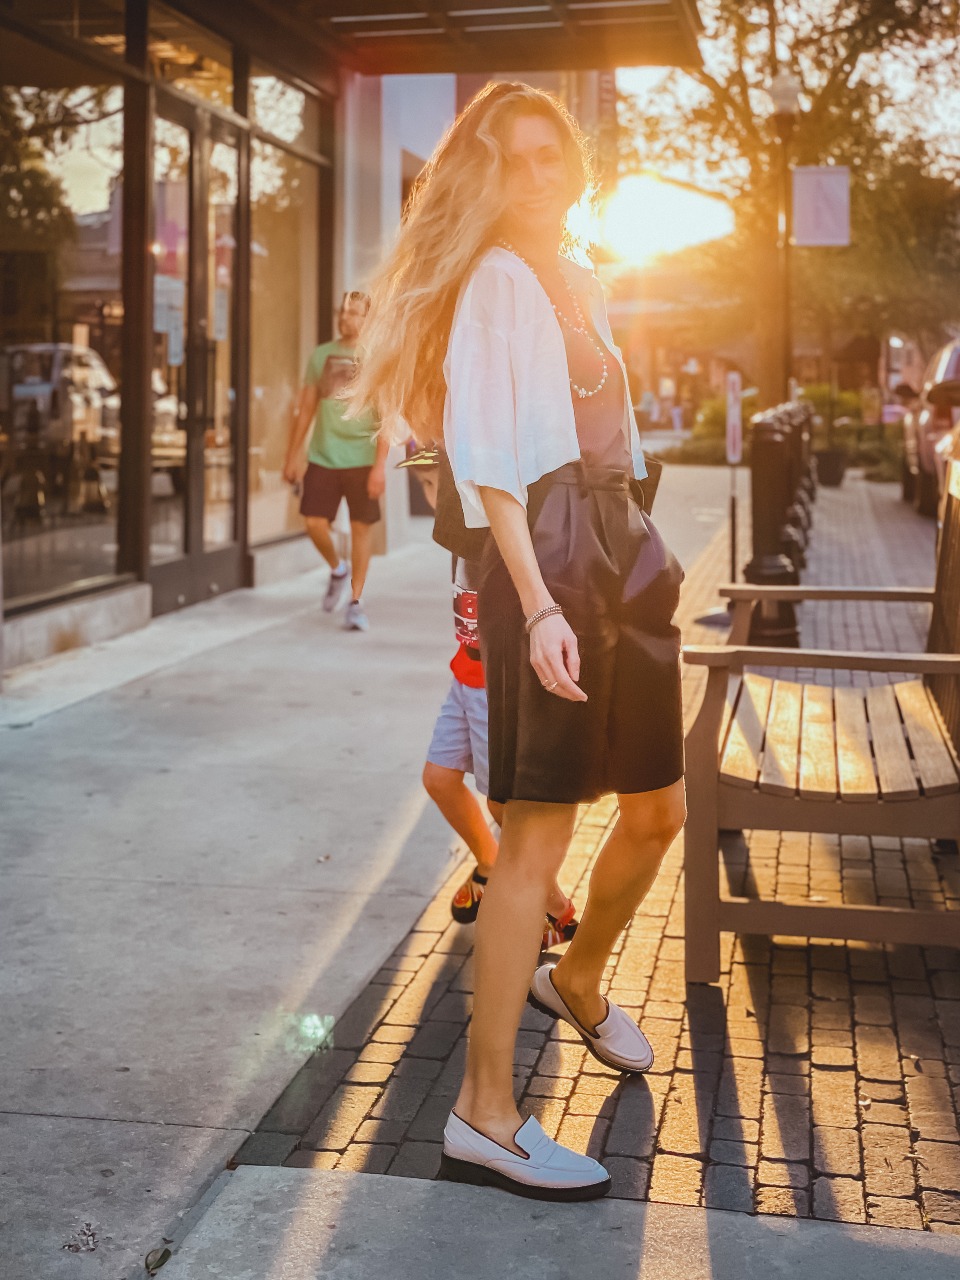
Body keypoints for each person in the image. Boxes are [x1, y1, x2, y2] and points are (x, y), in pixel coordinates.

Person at [350, 83, 686, 1202]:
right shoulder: (496, 279)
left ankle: (578, 975)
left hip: (616, 541)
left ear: (576, 165)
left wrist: (634, 548)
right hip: (542, 551)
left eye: (553, 156)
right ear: (487, 177)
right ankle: (483, 1115)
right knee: (534, 839)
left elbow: (610, 433)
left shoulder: (580, 275)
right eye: (514, 161)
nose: (536, 177)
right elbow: (490, 459)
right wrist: (539, 602)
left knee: (658, 807)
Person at [400, 449, 578, 948]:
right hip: (466, 676)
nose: (437, 501)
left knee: (507, 807)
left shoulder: (499, 540)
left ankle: (553, 906)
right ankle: (491, 863)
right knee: (439, 778)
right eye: (428, 491)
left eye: (443, 489)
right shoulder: (459, 542)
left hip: (497, 686)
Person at [284, 291, 389, 631]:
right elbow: (305, 410)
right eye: (342, 313)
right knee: (313, 522)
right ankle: (337, 569)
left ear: (367, 318)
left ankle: (356, 603)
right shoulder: (321, 356)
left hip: (362, 458)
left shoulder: (378, 358)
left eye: (355, 313)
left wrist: (379, 467)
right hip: (323, 455)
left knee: (361, 531)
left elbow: (387, 418)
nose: (346, 319)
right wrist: (292, 454)